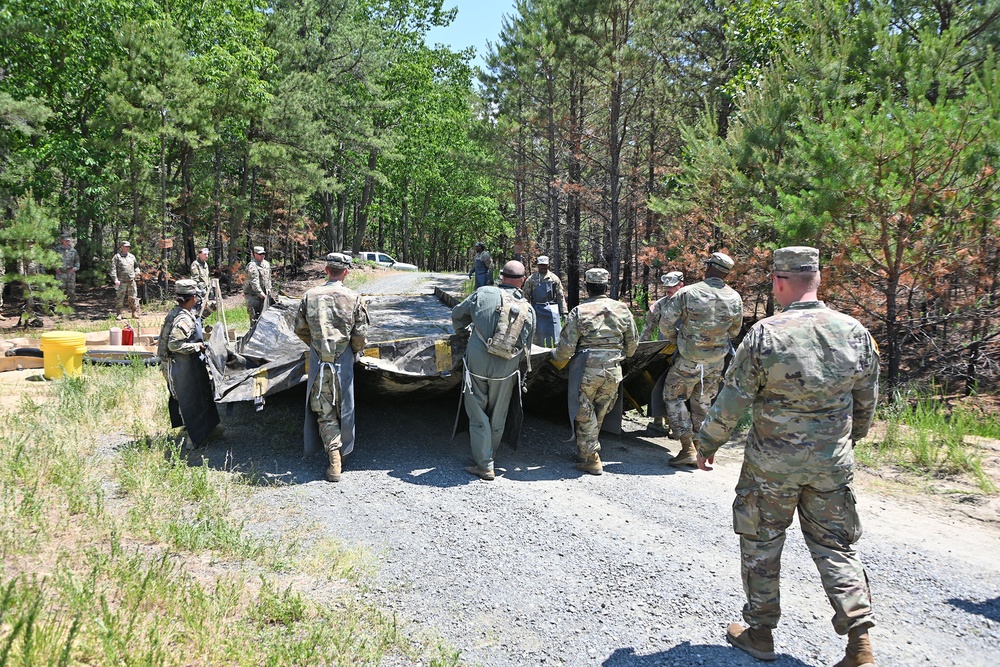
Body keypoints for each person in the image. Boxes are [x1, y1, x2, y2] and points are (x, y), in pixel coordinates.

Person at [696, 246, 879, 667]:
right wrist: (850, 441)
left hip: (771, 466)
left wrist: (708, 444)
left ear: (779, 282)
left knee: (762, 542)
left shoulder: (766, 334)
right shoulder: (854, 331)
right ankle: (860, 646)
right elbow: (866, 401)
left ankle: (760, 634)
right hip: (831, 462)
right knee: (836, 547)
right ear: (817, 280)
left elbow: (732, 400)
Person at [452, 260, 535, 480]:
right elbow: (527, 343)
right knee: (499, 412)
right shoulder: (528, 308)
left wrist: (461, 332)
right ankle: (492, 454)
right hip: (506, 367)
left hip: (478, 361)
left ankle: (484, 463)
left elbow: (458, 314)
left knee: (477, 410)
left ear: (501, 276)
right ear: (523, 281)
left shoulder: (483, 293)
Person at [658, 252, 742, 467]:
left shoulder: (687, 292)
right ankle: (701, 450)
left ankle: (687, 448)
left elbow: (666, 323)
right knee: (703, 402)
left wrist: (679, 340)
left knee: (673, 397)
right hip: (715, 361)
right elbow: (734, 331)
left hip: (688, 359)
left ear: (708, 268)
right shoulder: (734, 297)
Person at [551, 267, 638, 475]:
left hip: (587, 369)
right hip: (613, 370)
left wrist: (555, 361)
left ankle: (592, 457)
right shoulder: (622, 309)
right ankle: (584, 452)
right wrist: (618, 355)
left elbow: (566, 349)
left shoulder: (580, 311)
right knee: (598, 412)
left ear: (586, 287)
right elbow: (633, 344)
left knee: (583, 411)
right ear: (606, 286)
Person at [293, 253, 369, 482]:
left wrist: (316, 344)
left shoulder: (310, 295)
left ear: (326, 270)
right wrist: (351, 351)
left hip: (319, 359)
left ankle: (333, 459)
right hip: (343, 358)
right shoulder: (354, 298)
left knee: (323, 409)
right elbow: (361, 334)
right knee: (345, 407)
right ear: (345, 272)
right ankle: (341, 456)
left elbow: (299, 328)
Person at [158, 279, 222, 450]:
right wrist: (197, 346)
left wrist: (210, 309)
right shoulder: (182, 319)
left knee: (201, 396)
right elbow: (174, 344)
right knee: (190, 401)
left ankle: (209, 429)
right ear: (192, 297)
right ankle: (193, 439)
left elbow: (196, 320)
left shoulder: (181, 312)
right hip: (179, 366)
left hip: (187, 364)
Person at [523, 255, 567, 347]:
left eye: (545, 265)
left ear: (548, 265)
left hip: (552, 309)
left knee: (555, 335)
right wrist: (525, 311)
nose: (543, 267)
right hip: (537, 309)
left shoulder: (554, 279)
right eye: (541, 265)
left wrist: (564, 312)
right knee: (537, 335)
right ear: (538, 266)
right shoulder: (531, 279)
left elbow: (560, 296)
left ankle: (554, 351)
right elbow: (526, 296)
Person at [639, 271, 684, 342]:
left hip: (688, 348)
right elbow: (648, 328)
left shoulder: (690, 303)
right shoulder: (659, 305)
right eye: (667, 286)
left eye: (672, 286)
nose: (668, 289)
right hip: (666, 347)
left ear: (681, 286)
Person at [110, 241, 141, 319]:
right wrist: (115, 279)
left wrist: (137, 272)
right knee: (120, 298)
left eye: (129, 247)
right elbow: (113, 269)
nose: (128, 248)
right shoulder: (117, 257)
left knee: (133, 297)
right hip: (121, 282)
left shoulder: (132, 257)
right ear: (122, 247)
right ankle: (119, 313)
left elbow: (136, 266)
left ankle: (134, 312)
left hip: (131, 281)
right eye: (126, 246)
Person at [244, 245, 272, 324]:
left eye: (263, 254)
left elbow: (269, 278)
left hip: (264, 295)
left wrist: (269, 289)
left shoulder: (266, 264)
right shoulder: (252, 265)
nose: (262, 255)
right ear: (255, 254)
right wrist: (260, 292)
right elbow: (254, 281)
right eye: (260, 254)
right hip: (253, 295)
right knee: (254, 317)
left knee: (265, 317)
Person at [55, 234, 80, 303]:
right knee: (59, 291)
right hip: (60, 273)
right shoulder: (57, 250)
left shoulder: (73, 251)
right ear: (62, 240)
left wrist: (74, 269)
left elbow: (77, 262)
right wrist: (56, 269)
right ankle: (59, 307)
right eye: (65, 240)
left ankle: (71, 306)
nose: (67, 242)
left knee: (71, 291)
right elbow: (53, 261)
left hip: (70, 273)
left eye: (68, 241)